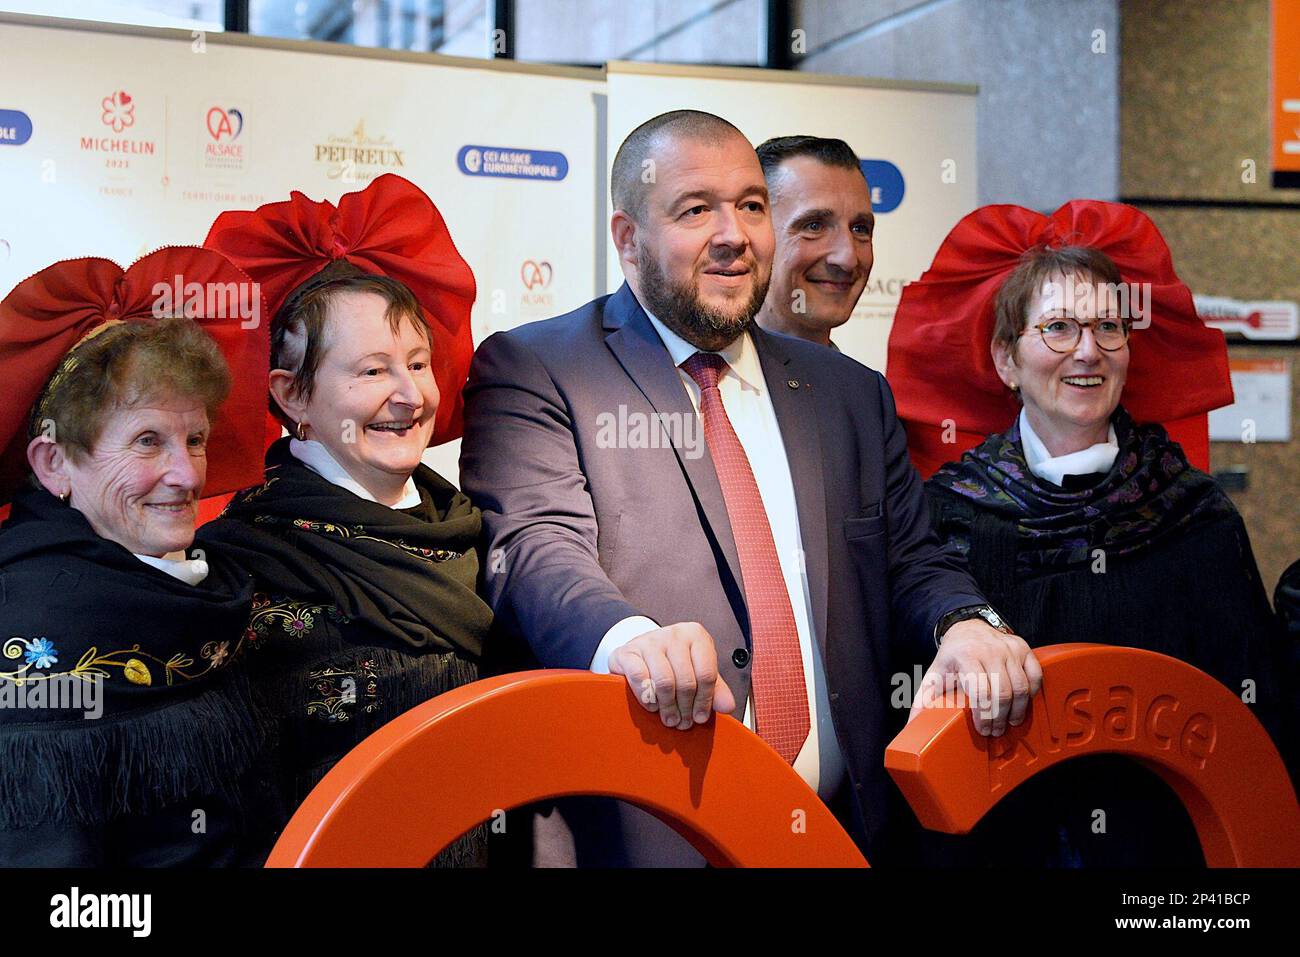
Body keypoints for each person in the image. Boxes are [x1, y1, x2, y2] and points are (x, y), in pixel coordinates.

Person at [459, 109, 1039, 867]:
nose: (733, 233)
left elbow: (912, 561)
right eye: (697, 209)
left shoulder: (849, 394)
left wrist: (965, 623)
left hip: (847, 836)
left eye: (752, 206)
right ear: (628, 238)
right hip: (649, 834)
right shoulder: (539, 368)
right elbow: (535, 548)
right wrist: (630, 640)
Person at [887, 200, 1292, 866]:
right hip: (998, 850)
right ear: (1005, 358)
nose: (1088, 349)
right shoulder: (950, 517)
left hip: (1164, 859)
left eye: (1109, 325)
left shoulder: (1195, 514)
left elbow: (1255, 719)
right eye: (1058, 327)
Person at [198, 174, 493, 865]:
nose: (409, 394)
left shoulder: (478, 532)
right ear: (291, 393)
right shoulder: (236, 564)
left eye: (418, 363)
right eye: (371, 372)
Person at [0, 248, 278, 866]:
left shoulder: (209, 590)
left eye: (196, 439)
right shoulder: (34, 626)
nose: (185, 474)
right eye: (148, 441)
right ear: (55, 464)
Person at [754, 135, 875, 349]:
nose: (847, 259)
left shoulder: (865, 383)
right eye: (814, 226)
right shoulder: (692, 380)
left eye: (859, 229)